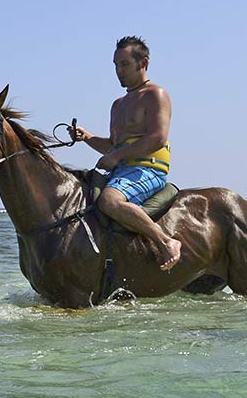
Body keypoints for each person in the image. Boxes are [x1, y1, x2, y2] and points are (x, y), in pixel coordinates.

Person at [70, 35, 183, 269]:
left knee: (110, 200)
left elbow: (157, 137)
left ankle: (166, 242)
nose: (118, 71)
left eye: (124, 64)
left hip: (147, 169)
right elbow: (114, 144)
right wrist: (87, 138)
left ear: (144, 63)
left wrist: (115, 157)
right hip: (122, 170)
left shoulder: (155, 94)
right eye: (115, 65)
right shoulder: (118, 104)